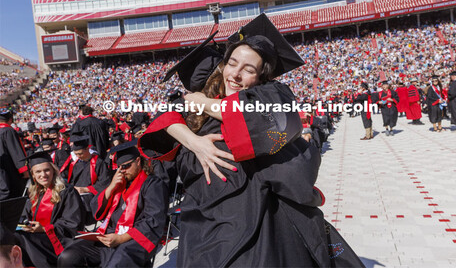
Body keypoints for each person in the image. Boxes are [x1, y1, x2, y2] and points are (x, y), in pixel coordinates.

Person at [139, 14, 363, 267]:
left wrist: (203, 103)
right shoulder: (193, 111)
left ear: (260, 77)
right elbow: (162, 120)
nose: (236, 74)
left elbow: (255, 119)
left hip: (252, 217)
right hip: (201, 222)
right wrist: (193, 141)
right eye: (232, 64)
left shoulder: (271, 95)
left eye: (248, 70)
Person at [57, 141, 169, 268]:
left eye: (126, 166)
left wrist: (121, 238)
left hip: (135, 239)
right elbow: (96, 209)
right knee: (69, 256)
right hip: (110, 235)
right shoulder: (119, 183)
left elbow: (153, 221)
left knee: (117, 262)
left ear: (138, 161)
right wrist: (110, 188)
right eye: (119, 167)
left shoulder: (153, 184)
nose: (122, 171)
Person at [14, 151, 85, 267]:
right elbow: (25, 216)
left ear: (53, 171)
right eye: (38, 171)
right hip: (37, 237)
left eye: (47, 170)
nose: (43, 175)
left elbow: (73, 223)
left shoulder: (67, 191)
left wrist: (44, 229)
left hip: (59, 240)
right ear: (33, 175)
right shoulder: (34, 193)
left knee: (22, 238)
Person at [59, 133, 111, 223]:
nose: (78, 156)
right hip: (76, 192)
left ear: (87, 149)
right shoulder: (75, 164)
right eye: (76, 154)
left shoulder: (98, 163)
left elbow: (105, 182)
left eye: (80, 153)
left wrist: (86, 189)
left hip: (91, 195)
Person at [0, 107, 28, 201]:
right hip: (10, 171)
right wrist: (24, 170)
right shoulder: (8, 131)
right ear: (10, 119)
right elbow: (16, 152)